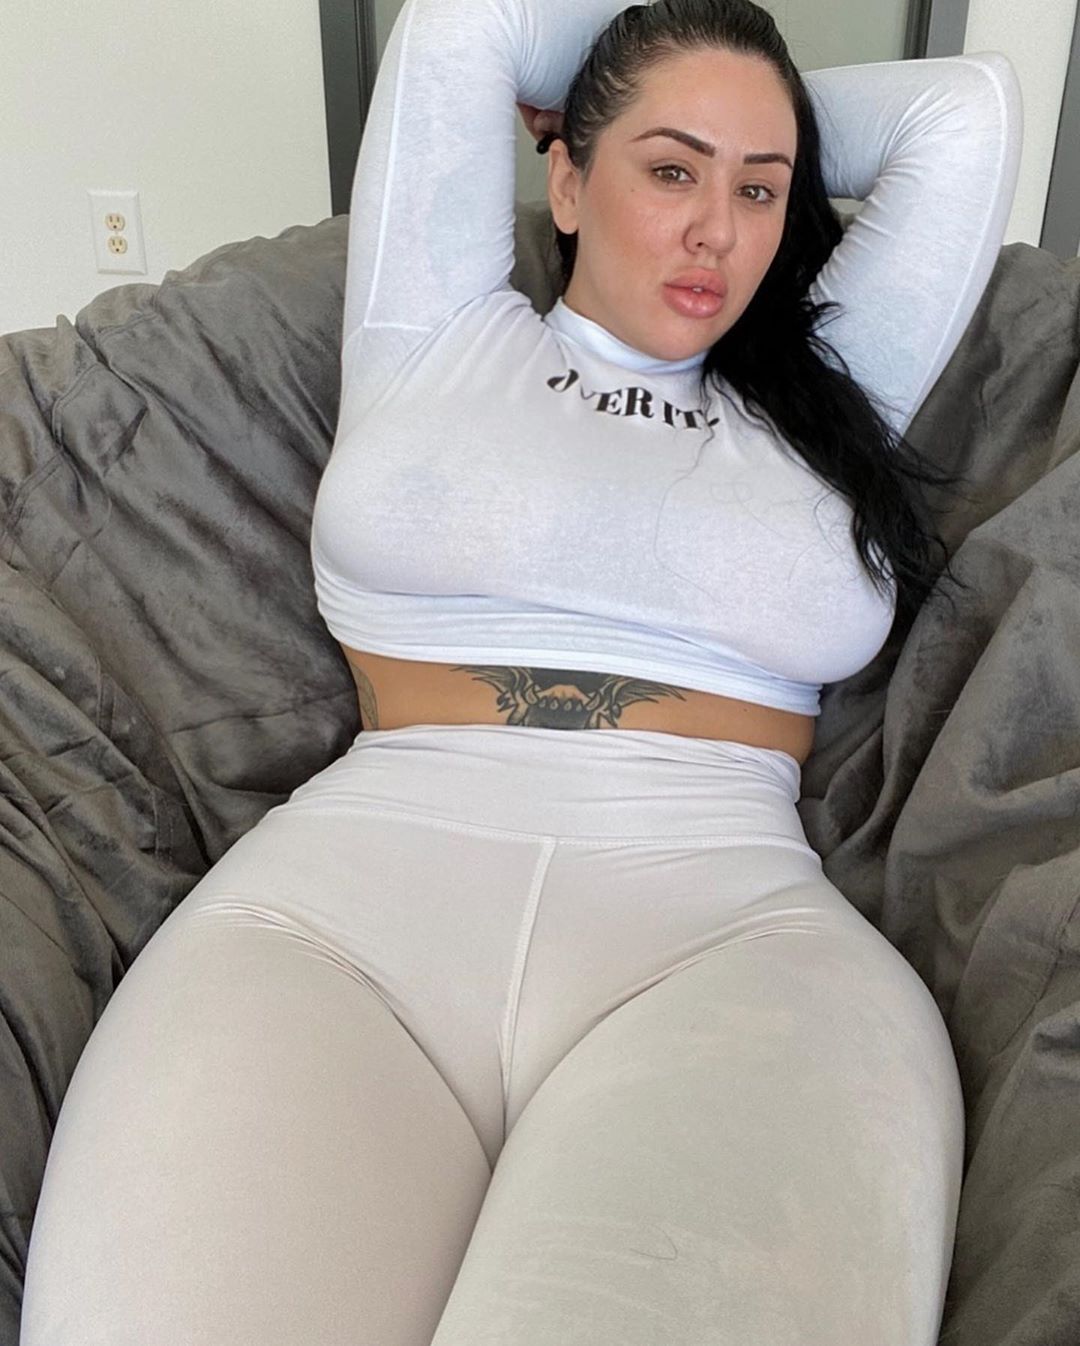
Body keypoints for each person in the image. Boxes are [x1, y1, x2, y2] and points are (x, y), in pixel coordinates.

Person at [21, 1, 1022, 1343]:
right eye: (669, 170)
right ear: (565, 180)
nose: (716, 230)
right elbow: (467, 23)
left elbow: (966, 114)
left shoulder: (827, 395)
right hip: (338, 922)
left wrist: (720, 107)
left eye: (759, 189)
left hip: (727, 939)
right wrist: (644, 78)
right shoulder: (433, 326)